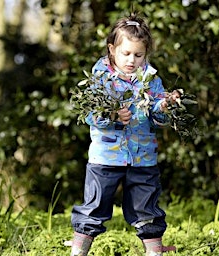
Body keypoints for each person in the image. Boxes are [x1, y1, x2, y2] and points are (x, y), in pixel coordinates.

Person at [70, 13, 179, 256]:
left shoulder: (151, 80)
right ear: (112, 49)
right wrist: (112, 115)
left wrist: (164, 106)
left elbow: (157, 115)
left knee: (146, 208)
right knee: (94, 207)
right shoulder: (100, 79)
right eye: (126, 54)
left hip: (142, 158)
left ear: (146, 53)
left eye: (138, 55)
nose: (132, 60)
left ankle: (154, 252)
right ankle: (78, 252)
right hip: (105, 158)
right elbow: (89, 113)